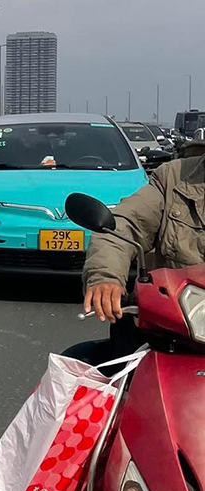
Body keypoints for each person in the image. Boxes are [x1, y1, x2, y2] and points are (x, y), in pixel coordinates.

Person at [64, 141, 205, 364]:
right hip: (175, 328)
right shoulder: (174, 178)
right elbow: (125, 224)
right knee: (75, 366)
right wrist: (106, 277)